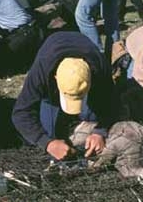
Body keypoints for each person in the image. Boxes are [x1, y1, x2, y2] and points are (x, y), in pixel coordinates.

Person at [12, 31, 116, 160]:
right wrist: (48, 143)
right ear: (55, 78)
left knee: (92, 115)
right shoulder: (42, 71)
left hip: (84, 47)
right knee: (49, 130)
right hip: (52, 47)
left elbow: (112, 101)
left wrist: (99, 132)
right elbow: (20, 113)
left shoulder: (100, 66)